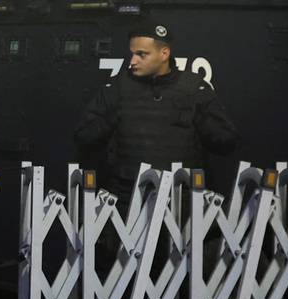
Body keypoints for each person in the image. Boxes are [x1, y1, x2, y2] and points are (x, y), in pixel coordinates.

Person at [73, 23, 238, 193]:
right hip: (126, 196)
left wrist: (198, 118)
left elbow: (226, 142)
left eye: (141, 54)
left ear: (164, 53)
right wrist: (118, 115)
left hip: (180, 198)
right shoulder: (117, 88)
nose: (132, 61)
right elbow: (84, 136)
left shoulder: (193, 89)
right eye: (132, 54)